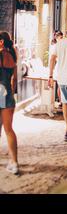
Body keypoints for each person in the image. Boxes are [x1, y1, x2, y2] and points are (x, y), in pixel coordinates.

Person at [0, 31, 18, 174]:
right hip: (8, 96)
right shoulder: (12, 56)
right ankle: (14, 162)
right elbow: (13, 80)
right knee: (9, 130)